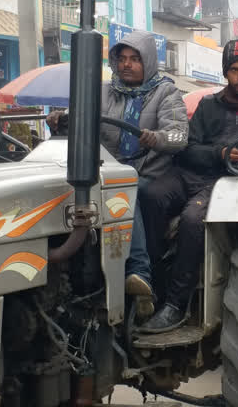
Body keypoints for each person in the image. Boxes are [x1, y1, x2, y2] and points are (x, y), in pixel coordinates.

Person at [139, 39, 238, 332]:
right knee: (150, 195)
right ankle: (152, 289)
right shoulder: (210, 105)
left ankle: (175, 305)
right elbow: (187, 148)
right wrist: (218, 153)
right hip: (191, 173)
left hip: (231, 181)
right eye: (235, 70)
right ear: (226, 72)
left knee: (192, 218)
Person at [48, 31, 189, 320]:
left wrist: (156, 137)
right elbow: (83, 121)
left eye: (134, 59)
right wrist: (62, 120)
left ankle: (139, 273)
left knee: (127, 186)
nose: (127, 65)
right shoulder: (102, 91)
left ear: (148, 61)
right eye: (122, 59)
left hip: (150, 173)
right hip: (106, 172)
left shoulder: (166, 93)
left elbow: (179, 135)